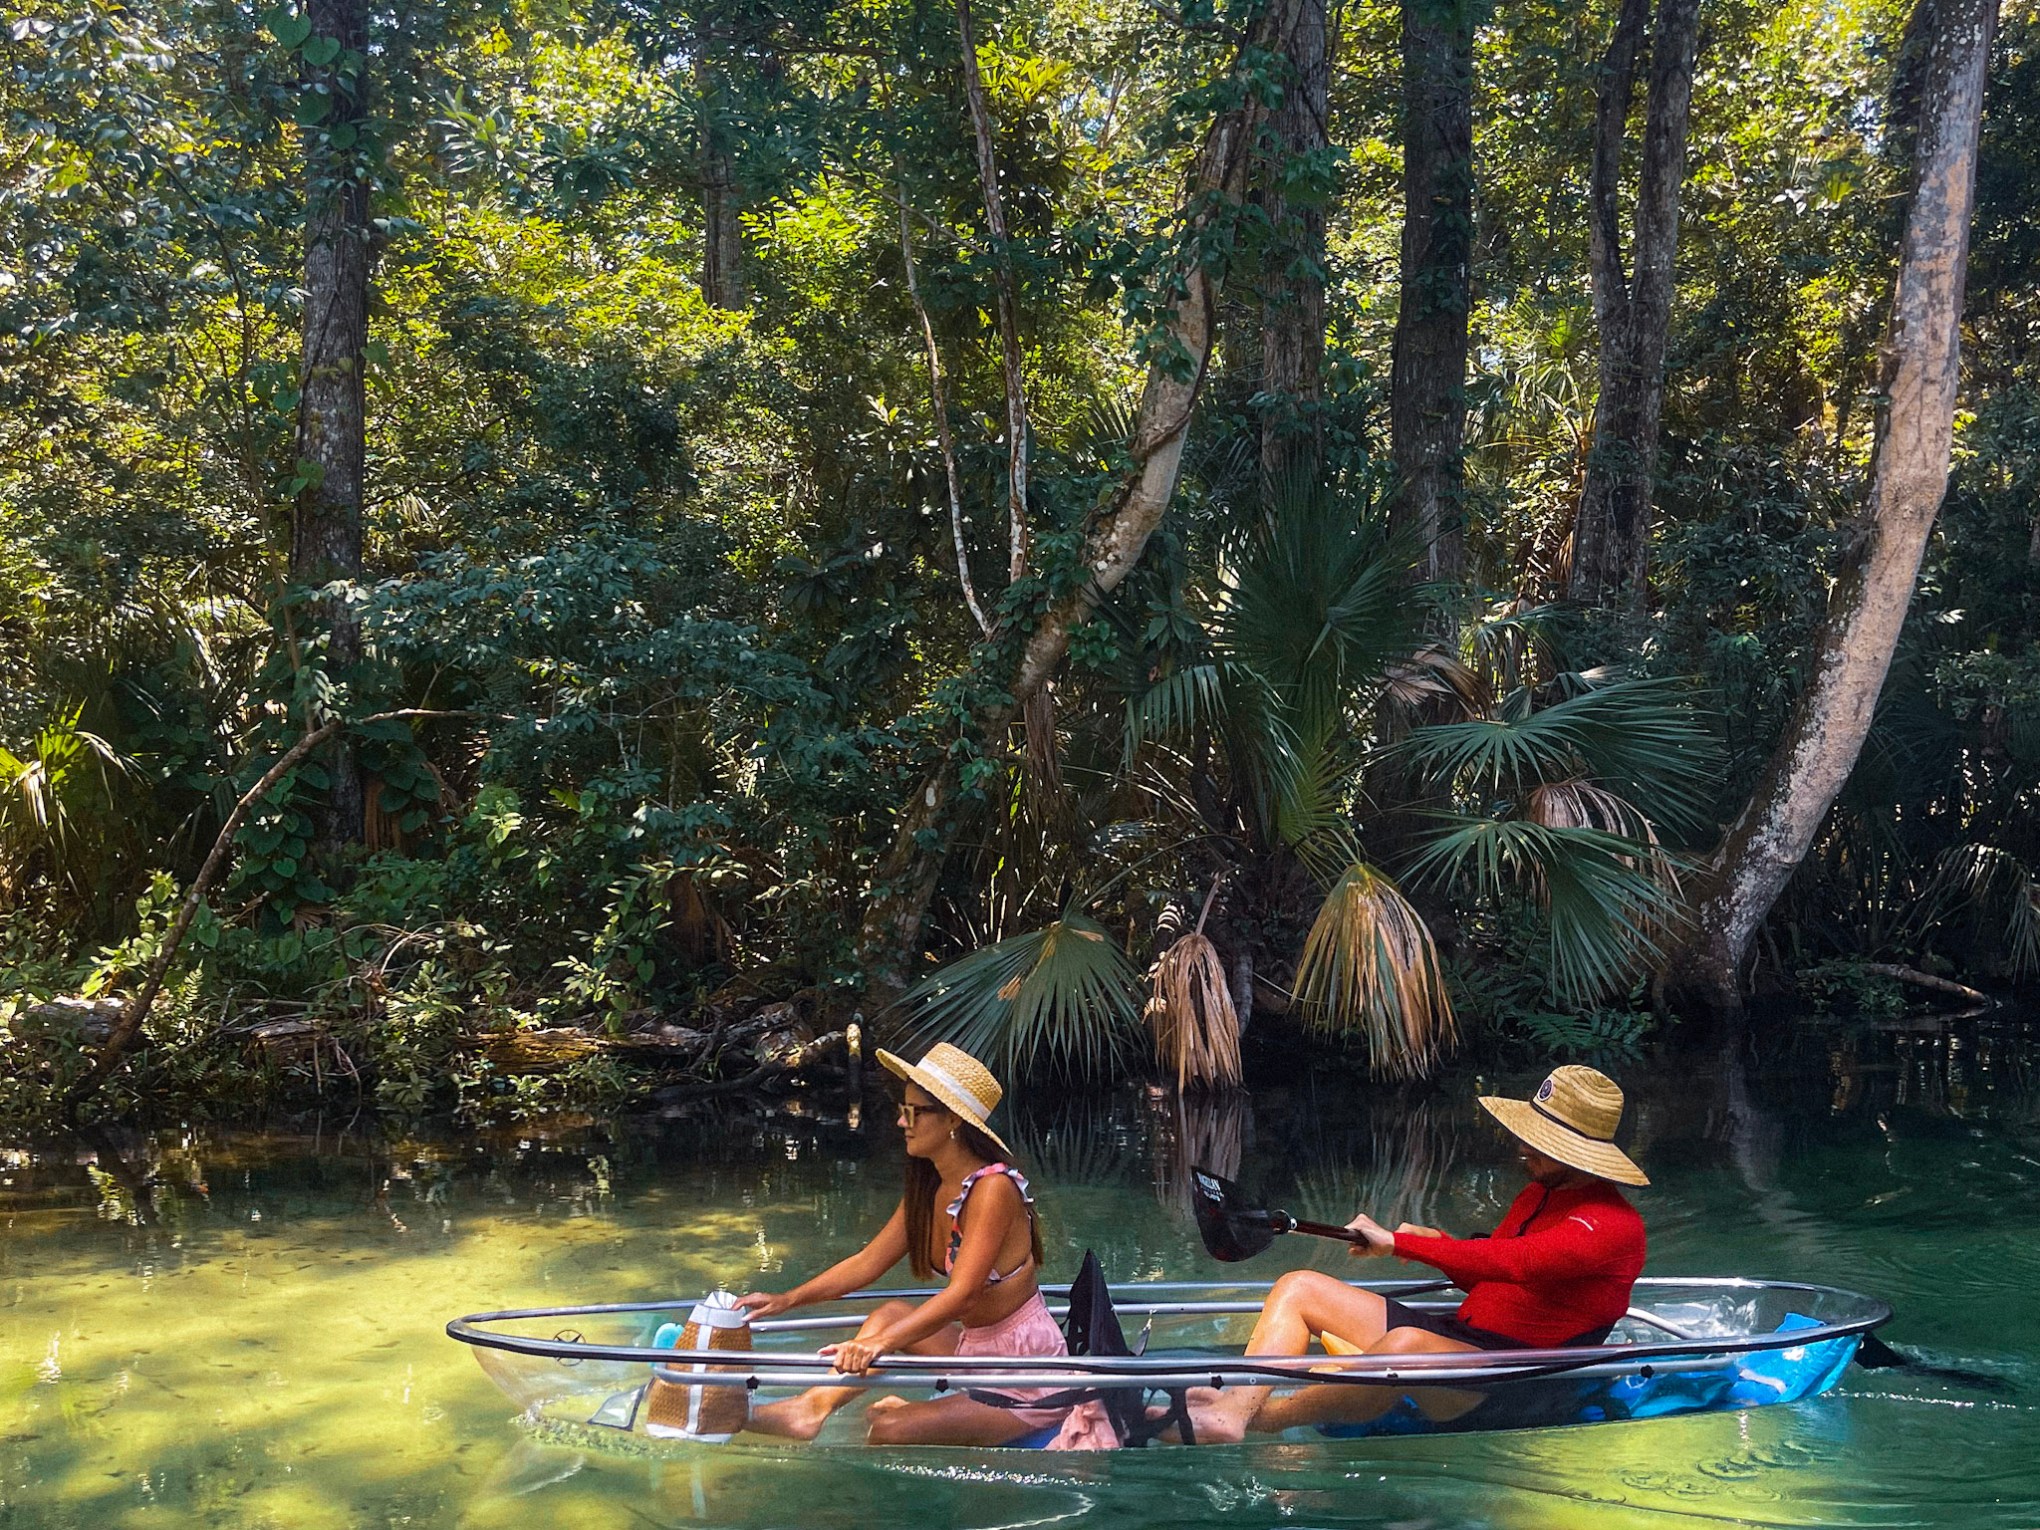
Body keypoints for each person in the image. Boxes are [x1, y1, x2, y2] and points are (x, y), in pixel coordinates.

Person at [1184, 1064, 1649, 1442]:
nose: (1524, 1149)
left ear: (1582, 1154)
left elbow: (1519, 1263)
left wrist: (1406, 1244)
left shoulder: (1613, 1226)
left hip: (1517, 1379)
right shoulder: (1537, 1194)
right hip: (1463, 1341)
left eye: (1543, 1145)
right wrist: (1439, 1246)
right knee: (1299, 1287)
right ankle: (1231, 1410)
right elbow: (1489, 1278)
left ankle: (1266, 1420)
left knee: (1404, 1346)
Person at [735, 1042, 1071, 1446]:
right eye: (902, 1109)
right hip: (976, 1352)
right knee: (890, 1314)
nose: (901, 1122)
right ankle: (808, 1409)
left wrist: (879, 1345)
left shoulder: (993, 1189)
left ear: (951, 1120)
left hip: (1025, 1378)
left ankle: (890, 1438)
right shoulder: (930, 1186)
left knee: (889, 1428)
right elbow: (867, 1262)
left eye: (912, 1111)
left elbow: (962, 1296)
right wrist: (786, 1300)